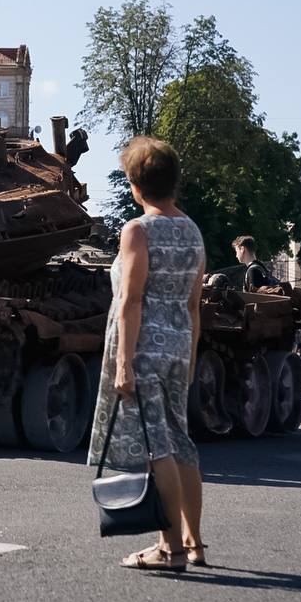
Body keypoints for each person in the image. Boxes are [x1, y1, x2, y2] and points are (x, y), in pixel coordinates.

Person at [88, 137, 206, 573]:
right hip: (178, 347)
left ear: (136, 185)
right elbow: (193, 305)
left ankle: (168, 549)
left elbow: (131, 300)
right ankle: (194, 542)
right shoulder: (192, 231)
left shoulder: (138, 230)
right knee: (181, 442)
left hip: (144, 350)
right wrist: (190, 356)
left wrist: (123, 363)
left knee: (157, 448)